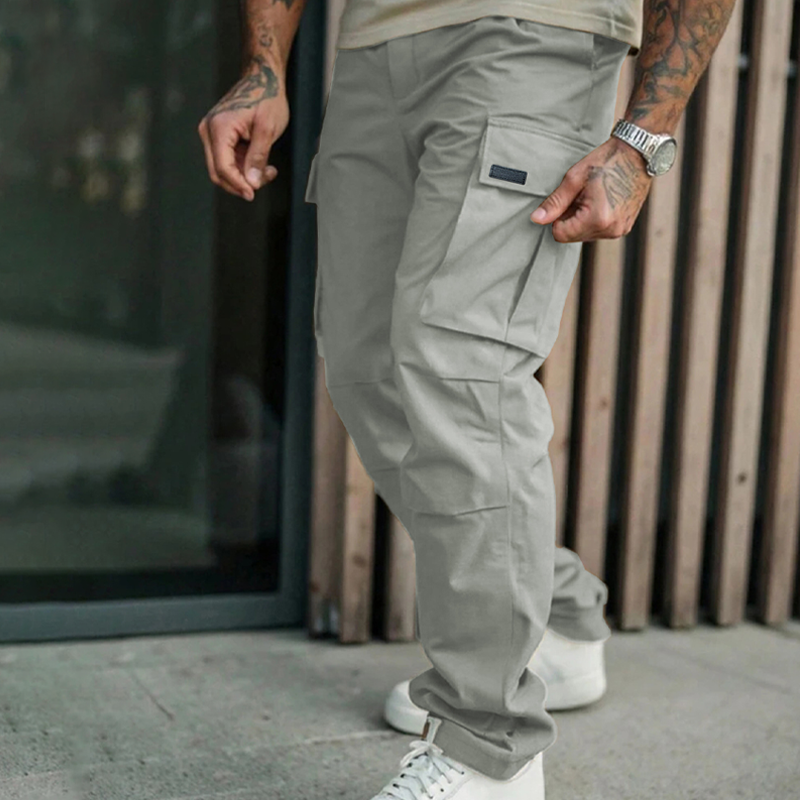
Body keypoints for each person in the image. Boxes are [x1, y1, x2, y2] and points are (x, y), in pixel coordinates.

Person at [199, 0, 738, 797]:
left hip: (536, 34)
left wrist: (642, 137)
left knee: (462, 368)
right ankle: (556, 615)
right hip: (374, 44)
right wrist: (263, 67)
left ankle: (491, 746)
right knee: (367, 369)